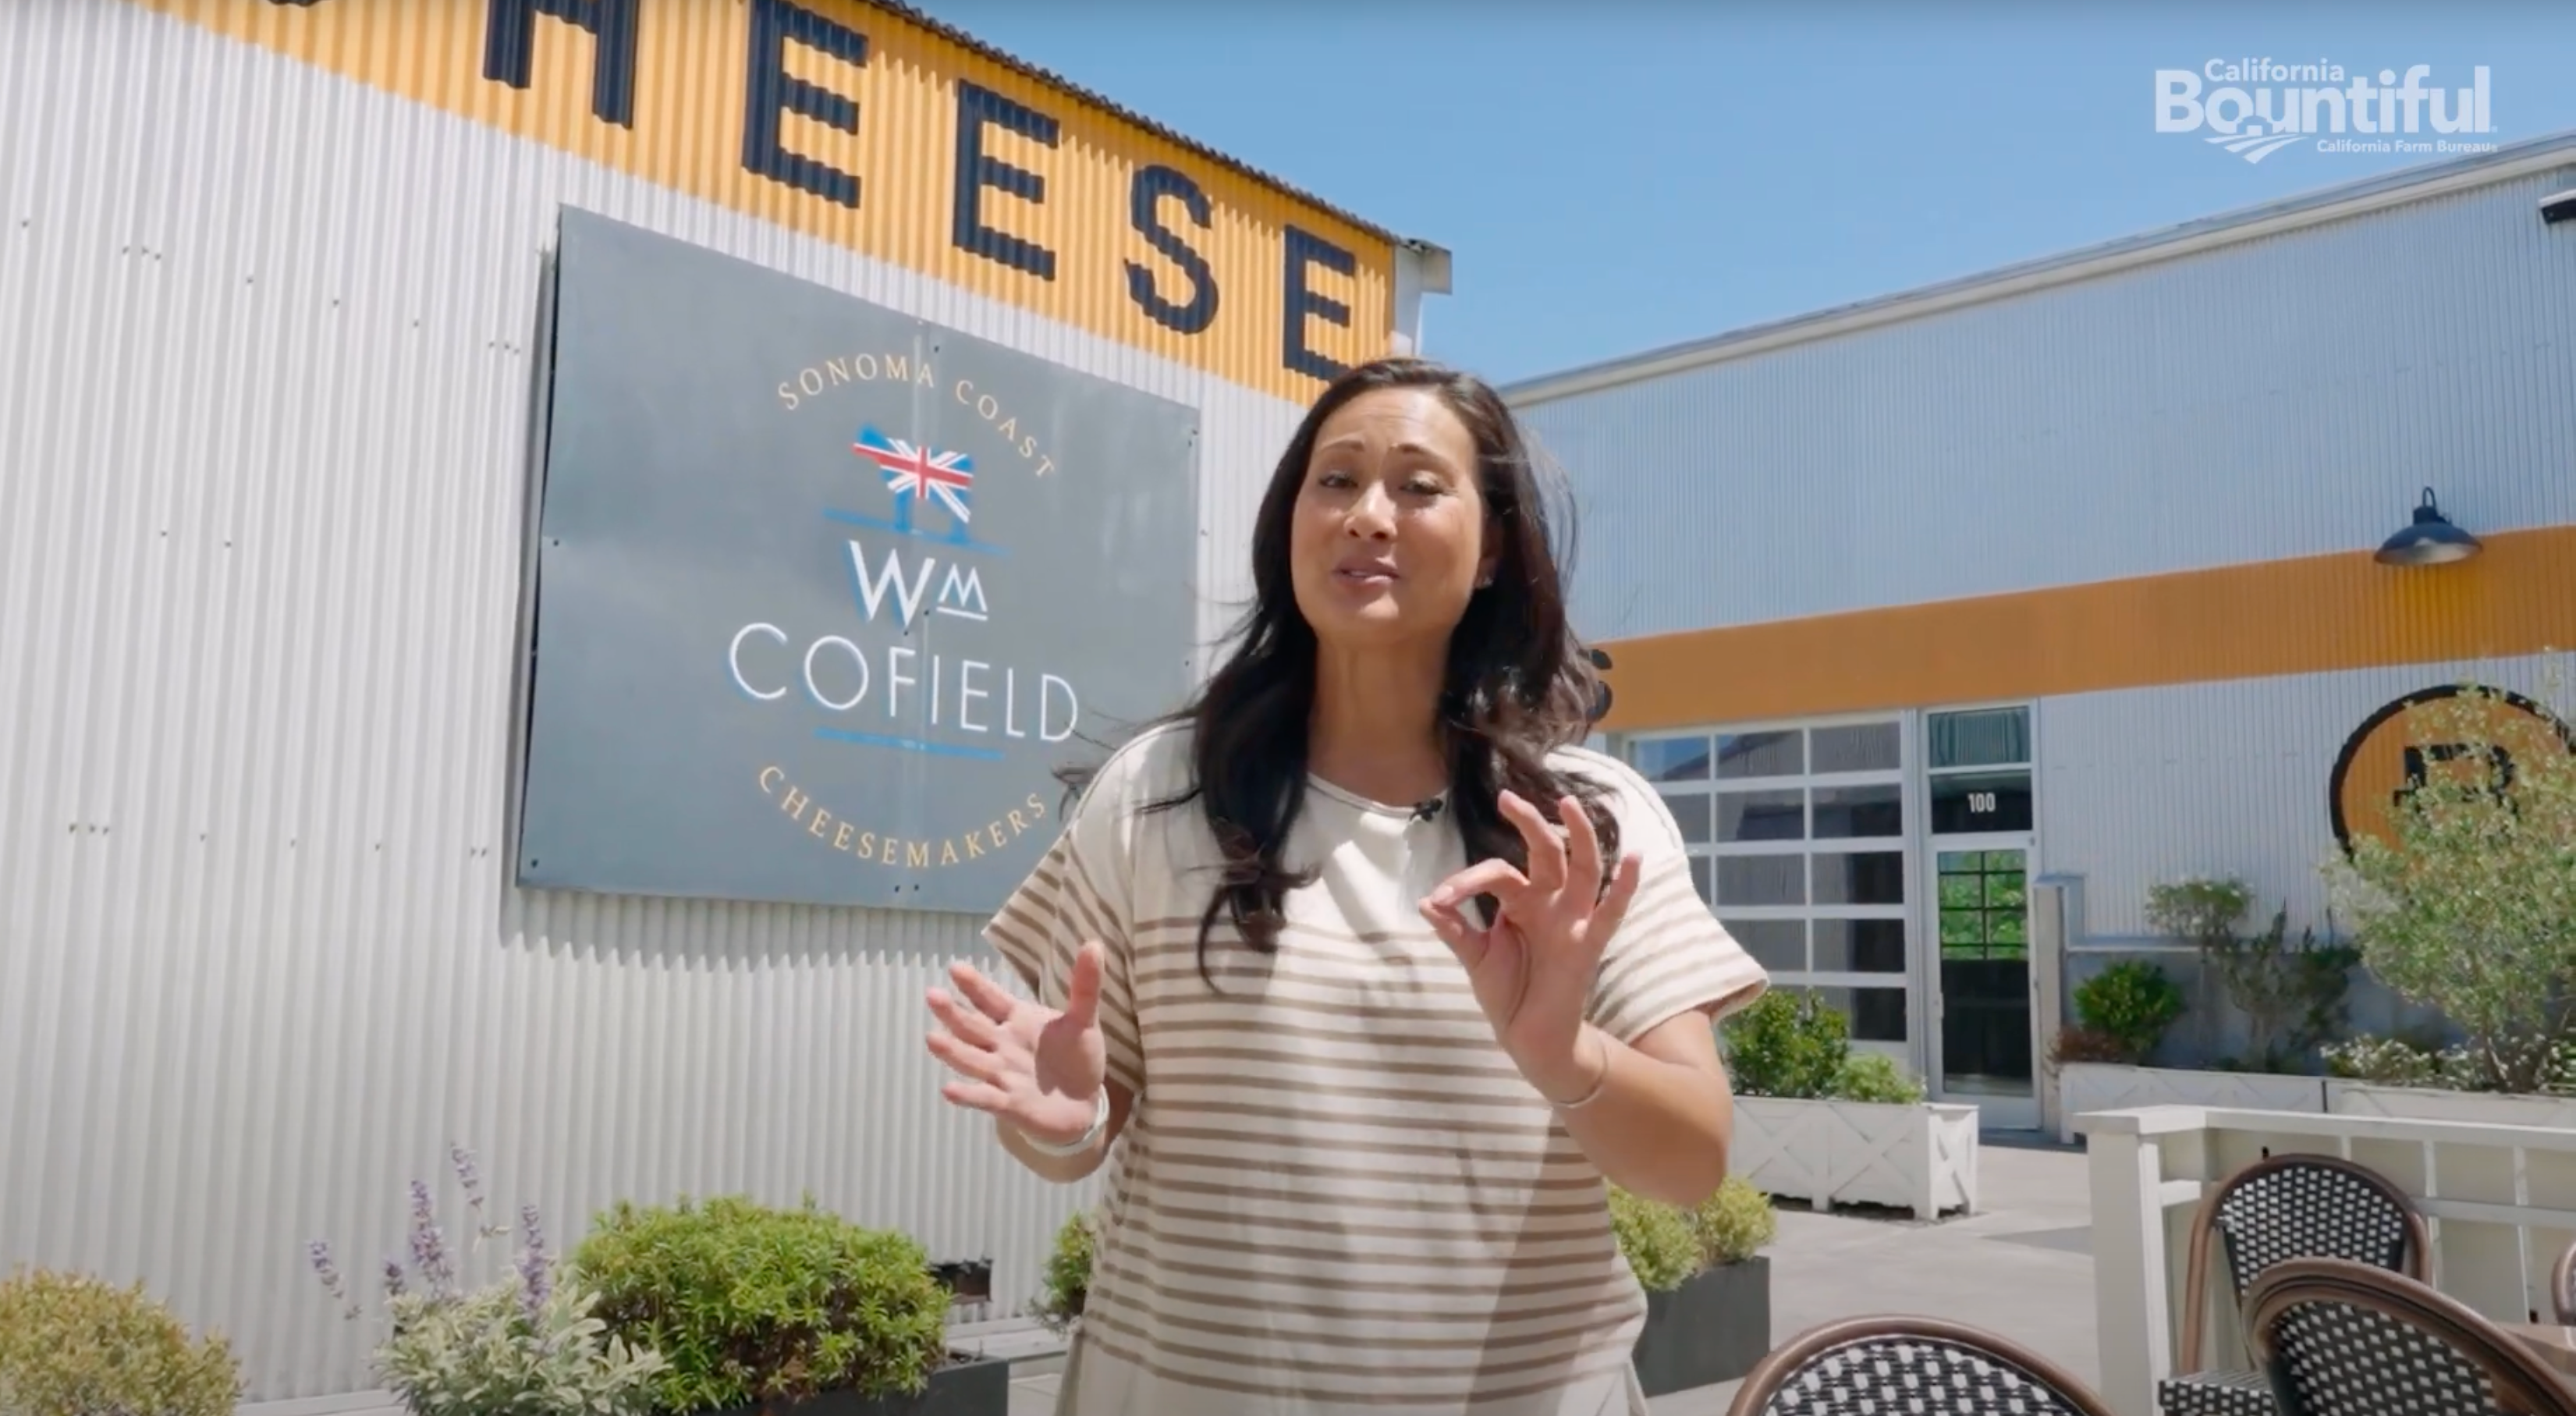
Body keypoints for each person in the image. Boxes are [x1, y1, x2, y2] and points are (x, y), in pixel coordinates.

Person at [921, 357, 1769, 1415]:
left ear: (1495, 542)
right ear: (1291, 524)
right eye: (1336, 481)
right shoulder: (1156, 793)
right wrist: (1057, 1120)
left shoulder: (1579, 824)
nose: (1369, 514)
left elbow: (1689, 1163)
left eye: (1418, 486)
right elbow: (1080, 1126)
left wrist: (1561, 1049)